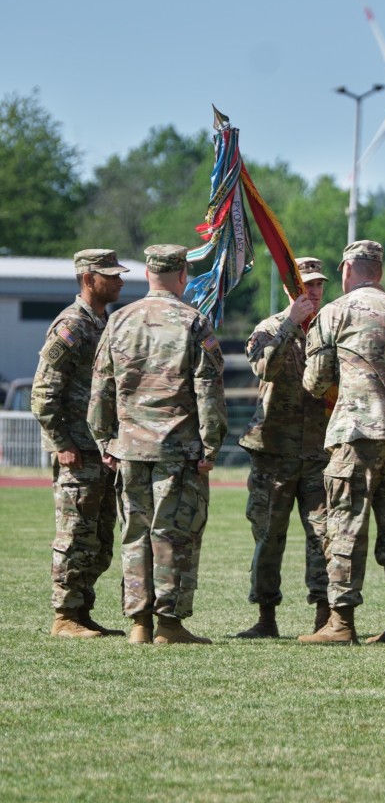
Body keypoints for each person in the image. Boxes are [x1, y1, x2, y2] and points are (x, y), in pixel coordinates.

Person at [87, 244, 227, 645]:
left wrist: (104, 440)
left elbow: (101, 389)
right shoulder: (193, 321)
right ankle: (168, 623)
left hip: (130, 448)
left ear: (148, 274)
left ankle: (139, 624)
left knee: (135, 533)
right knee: (172, 533)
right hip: (177, 450)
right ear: (183, 274)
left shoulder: (119, 321)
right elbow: (208, 391)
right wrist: (210, 445)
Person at [298, 240, 385, 645]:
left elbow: (316, 380)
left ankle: (341, 623)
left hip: (358, 433)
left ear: (345, 270)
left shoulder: (335, 312)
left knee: (345, 525)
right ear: (378, 271)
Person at [31, 248, 129, 639]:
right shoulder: (71, 326)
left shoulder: (104, 324)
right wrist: (61, 443)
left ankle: (82, 613)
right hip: (77, 451)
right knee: (74, 535)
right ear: (89, 279)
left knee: (99, 540)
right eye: (111, 275)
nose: (120, 281)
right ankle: (64, 616)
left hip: (101, 450)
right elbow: (42, 393)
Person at [236, 257, 332, 638]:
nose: (313, 291)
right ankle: (266, 618)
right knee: (268, 536)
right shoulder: (268, 328)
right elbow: (265, 369)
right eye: (306, 284)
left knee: (324, 536)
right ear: (292, 288)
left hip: (319, 452)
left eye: (318, 285)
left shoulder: (332, 329)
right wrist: (292, 324)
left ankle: (326, 618)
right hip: (274, 449)